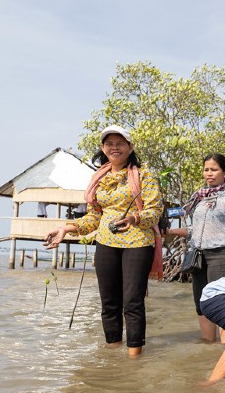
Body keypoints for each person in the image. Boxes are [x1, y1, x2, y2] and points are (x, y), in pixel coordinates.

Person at [44, 125, 163, 358]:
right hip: (106, 243)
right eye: (109, 143)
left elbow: (154, 211)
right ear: (102, 148)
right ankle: (113, 355)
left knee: (132, 303)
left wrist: (134, 217)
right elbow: (94, 217)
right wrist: (66, 228)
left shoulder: (144, 173)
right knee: (109, 304)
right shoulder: (98, 178)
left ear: (130, 147)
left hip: (138, 242)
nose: (115, 147)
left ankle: (133, 359)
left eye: (120, 143)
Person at [164, 153, 225, 342]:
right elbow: (195, 229)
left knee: (221, 302)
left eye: (214, 169)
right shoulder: (199, 199)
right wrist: (171, 232)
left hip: (223, 254)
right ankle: (208, 347)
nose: (209, 174)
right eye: (206, 170)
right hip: (199, 255)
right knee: (201, 303)